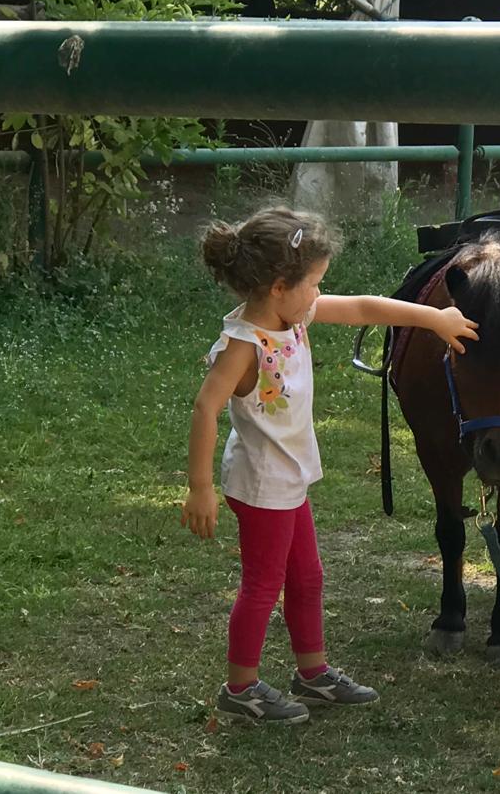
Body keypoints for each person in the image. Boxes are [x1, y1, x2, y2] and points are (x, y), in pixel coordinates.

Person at [181, 207, 479, 724]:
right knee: (263, 585)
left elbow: (363, 308)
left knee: (308, 577)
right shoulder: (245, 345)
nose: (320, 292)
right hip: (262, 485)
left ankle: (312, 673)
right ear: (279, 287)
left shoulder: (292, 315)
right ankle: (240, 687)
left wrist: (434, 317)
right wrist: (199, 487)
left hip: (289, 478)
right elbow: (206, 407)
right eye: (315, 282)